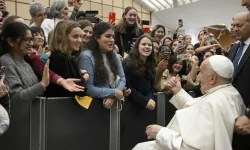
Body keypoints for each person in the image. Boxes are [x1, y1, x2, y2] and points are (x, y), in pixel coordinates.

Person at [133, 55, 245, 150]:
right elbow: (197, 106)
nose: (199, 76)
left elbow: (192, 148)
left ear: (212, 78)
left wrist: (160, 132)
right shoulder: (230, 93)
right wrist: (178, 92)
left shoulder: (214, 103)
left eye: (201, 71)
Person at [0, 22, 49, 149]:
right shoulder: (6, 61)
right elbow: (15, 97)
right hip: (14, 127)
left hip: (29, 123)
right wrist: (42, 84)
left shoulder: (26, 63)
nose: (31, 43)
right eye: (26, 40)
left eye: (31, 39)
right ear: (11, 41)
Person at [228, 12, 250, 150]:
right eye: (233, 25)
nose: (235, 29)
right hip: (232, 117)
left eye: (239, 25)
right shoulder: (234, 48)